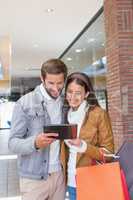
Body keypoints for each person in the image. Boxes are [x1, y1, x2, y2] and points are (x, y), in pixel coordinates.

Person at [8, 58, 68, 200]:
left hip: (59, 175)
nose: (55, 88)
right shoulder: (24, 103)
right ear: (42, 78)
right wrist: (35, 143)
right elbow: (12, 143)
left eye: (60, 83)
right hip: (34, 179)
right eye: (51, 83)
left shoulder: (66, 102)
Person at [61, 72, 114, 200]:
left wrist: (83, 146)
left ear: (86, 94)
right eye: (69, 92)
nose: (72, 97)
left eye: (78, 93)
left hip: (92, 180)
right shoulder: (63, 114)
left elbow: (109, 154)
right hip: (70, 182)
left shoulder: (98, 114)